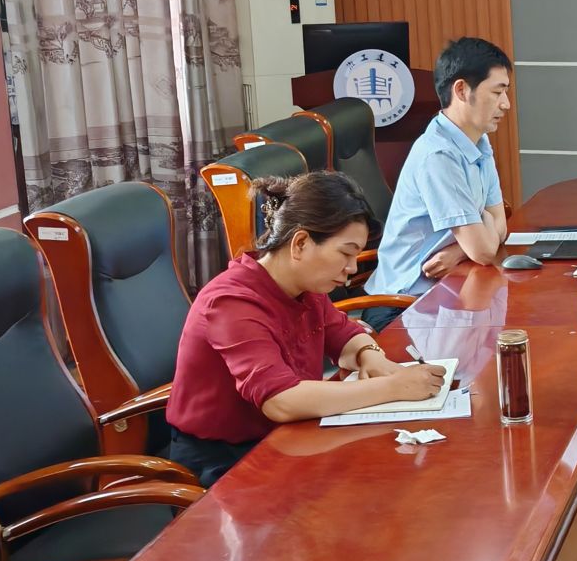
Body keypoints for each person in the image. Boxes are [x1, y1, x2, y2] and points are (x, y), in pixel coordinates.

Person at [166, 173, 446, 484]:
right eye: (346, 253)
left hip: (288, 438)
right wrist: (394, 387)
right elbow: (281, 401)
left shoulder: (305, 286)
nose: (352, 268)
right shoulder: (232, 302)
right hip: (225, 464)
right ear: (300, 243)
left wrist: (370, 356)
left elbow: (344, 335)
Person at [367, 35, 513, 320]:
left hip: (446, 288)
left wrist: (458, 251)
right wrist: (479, 232)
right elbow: (484, 251)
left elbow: (500, 225)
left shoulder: (479, 142)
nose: (506, 104)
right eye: (497, 93)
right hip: (402, 305)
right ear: (462, 90)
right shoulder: (439, 155)